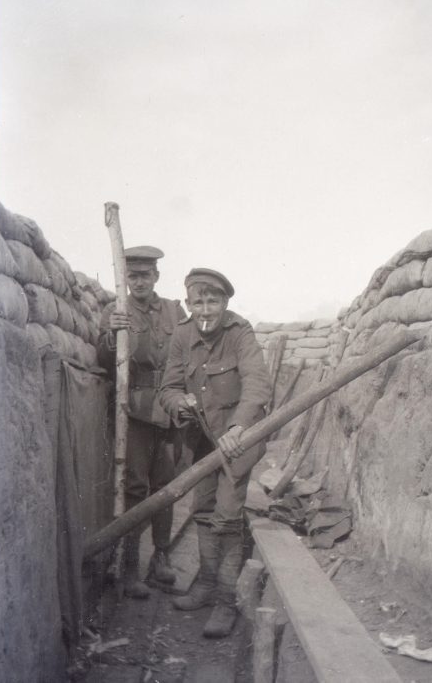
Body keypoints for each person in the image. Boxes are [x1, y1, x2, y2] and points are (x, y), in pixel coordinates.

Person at [158, 268, 270, 637]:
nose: (206, 310)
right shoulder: (182, 334)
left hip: (239, 440)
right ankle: (205, 585)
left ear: (225, 303)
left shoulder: (240, 332)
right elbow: (169, 387)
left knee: (227, 514)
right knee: (202, 510)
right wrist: (180, 403)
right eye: (198, 302)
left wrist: (239, 427)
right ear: (189, 304)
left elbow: (257, 384)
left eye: (213, 301)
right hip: (201, 440)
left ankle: (226, 599)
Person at [98, 246, 185, 599]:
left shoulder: (173, 311)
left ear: (156, 277)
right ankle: (131, 563)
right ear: (126, 279)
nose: (138, 282)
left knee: (166, 484)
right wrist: (110, 336)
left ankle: (161, 557)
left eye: (144, 276)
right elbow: (103, 360)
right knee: (134, 486)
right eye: (132, 276)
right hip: (132, 410)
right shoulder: (114, 311)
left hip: (169, 409)